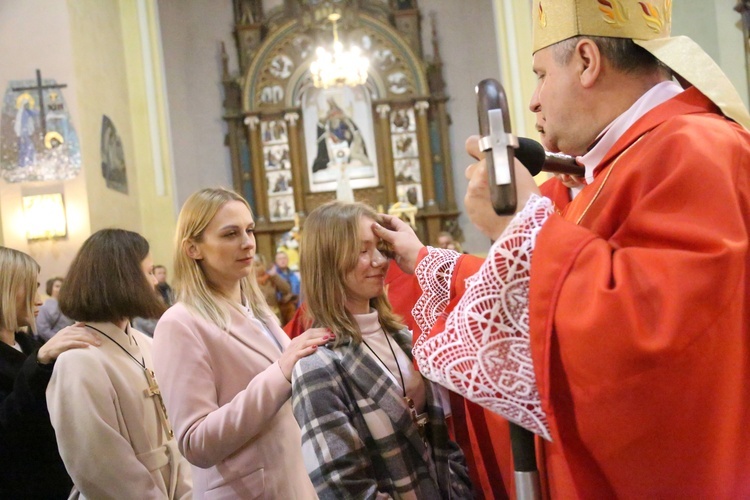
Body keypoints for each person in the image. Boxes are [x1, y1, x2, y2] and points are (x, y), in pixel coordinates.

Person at [374, 0, 750, 497]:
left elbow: (657, 338)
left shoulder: (697, 150)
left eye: (540, 75)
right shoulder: (597, 170)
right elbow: (539, 291)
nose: (532, 101)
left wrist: (523, 225)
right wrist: (423, 260)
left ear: (588, 61)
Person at [151, 187, 328, 499]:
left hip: (294, 481)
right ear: (193, 248)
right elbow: (196, 442)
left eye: (249, 230)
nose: (247, 242)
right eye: (230, 234)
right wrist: (281, 373)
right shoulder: (180, 323)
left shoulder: (258, 310)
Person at [291, 200, 473, 499]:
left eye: (380, 247)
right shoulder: (317, 363)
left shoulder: (403, 336)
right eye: (363, 251)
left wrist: (459, 487)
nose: (379, 261)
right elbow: (342, 486)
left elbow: (442, 437)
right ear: (328, 260)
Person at [47, 229, 192, 499]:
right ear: (122, 279)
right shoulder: (78, 360)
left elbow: (173, 433)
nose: (155, 284)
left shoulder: (146, 343)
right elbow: (98, 465)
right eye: (148, 273)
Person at [0, 247, 101, 498]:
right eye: (29, 288)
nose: (39, 299)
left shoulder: (28, 345)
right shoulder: (37, 354)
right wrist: (41, 363)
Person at [253, 253, 296, 323]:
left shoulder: (271, 278)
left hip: (275, 316)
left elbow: (287, 289)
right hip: (259, 318)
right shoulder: (247, 282)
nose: (254, 268)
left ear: (263, 265)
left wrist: (274, 276)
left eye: (257, 265)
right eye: (252, 265)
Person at [36, 276, 74, 342]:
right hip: (53, 342)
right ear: (50, 288)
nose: (61, 288)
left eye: (63, 286)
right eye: (57, 286)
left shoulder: (69, 306)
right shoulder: (43, 306)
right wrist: (60, 340)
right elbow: (43, 329)